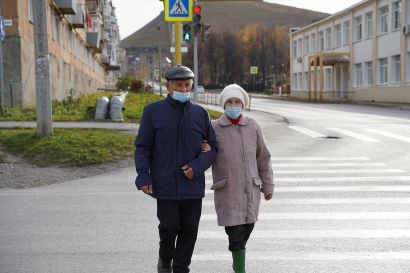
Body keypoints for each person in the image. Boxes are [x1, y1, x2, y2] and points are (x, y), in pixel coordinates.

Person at [134, 65, 217, 273]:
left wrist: (197, 166)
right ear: (168, 86)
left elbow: (213, 147)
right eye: (178, 85)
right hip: (165, 183)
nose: (183, 89)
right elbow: (143, 147)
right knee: (169, 227)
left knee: (189, 231)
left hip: (192, 184)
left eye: (187, 85)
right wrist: (144, 177)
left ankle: (181, 268)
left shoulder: (200, 113)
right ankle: (165, 261)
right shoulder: (153, 112)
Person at [209, 84, 274, 273]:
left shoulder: (253, 125)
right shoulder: (214, 127)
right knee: (235, 234)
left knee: (247, 227)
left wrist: (268, 185)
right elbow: (206, 155)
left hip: (251, 189)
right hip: (228, 190)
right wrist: (203, 150)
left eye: (237, 102)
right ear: (223, 104)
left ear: (243, 104)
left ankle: (238, 261)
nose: (233, 105)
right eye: (229, 102)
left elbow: (263, 157)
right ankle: (240, 270)